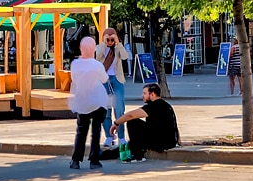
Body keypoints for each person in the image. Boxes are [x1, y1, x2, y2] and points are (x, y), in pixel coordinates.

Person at [67, 36, 109, 171]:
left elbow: (74, 78)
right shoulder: (97, 65)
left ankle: (76, 160)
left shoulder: (75, 64)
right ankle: (94, 160)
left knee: (81, 131)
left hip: (82, 101)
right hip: (97, 100)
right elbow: (104, 79)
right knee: (96, 131)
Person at [109, 83, 181, 161]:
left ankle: (138, 155)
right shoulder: (166, 105)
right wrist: (178, 140)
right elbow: (174, 125)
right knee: (127, 146)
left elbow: (130, 115)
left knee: (132, 122)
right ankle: (104, 155)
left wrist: (116, 123)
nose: (142, 95)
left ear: (152, 94)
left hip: (161, 143)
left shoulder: (155, 106)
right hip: (168, 141)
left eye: (145, 93)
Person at [96, 27, 132, 152]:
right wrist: (103, 43)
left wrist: (118, 43)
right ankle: (109, 136)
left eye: (112, 39)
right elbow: (96, 57)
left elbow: (125, 56)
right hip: (103, 81)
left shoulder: (117, 48)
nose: (110, 41)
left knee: (119, 109)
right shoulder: (100, 47)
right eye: (108, 39)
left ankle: (121, 137)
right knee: (105, 111)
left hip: (117, 80)